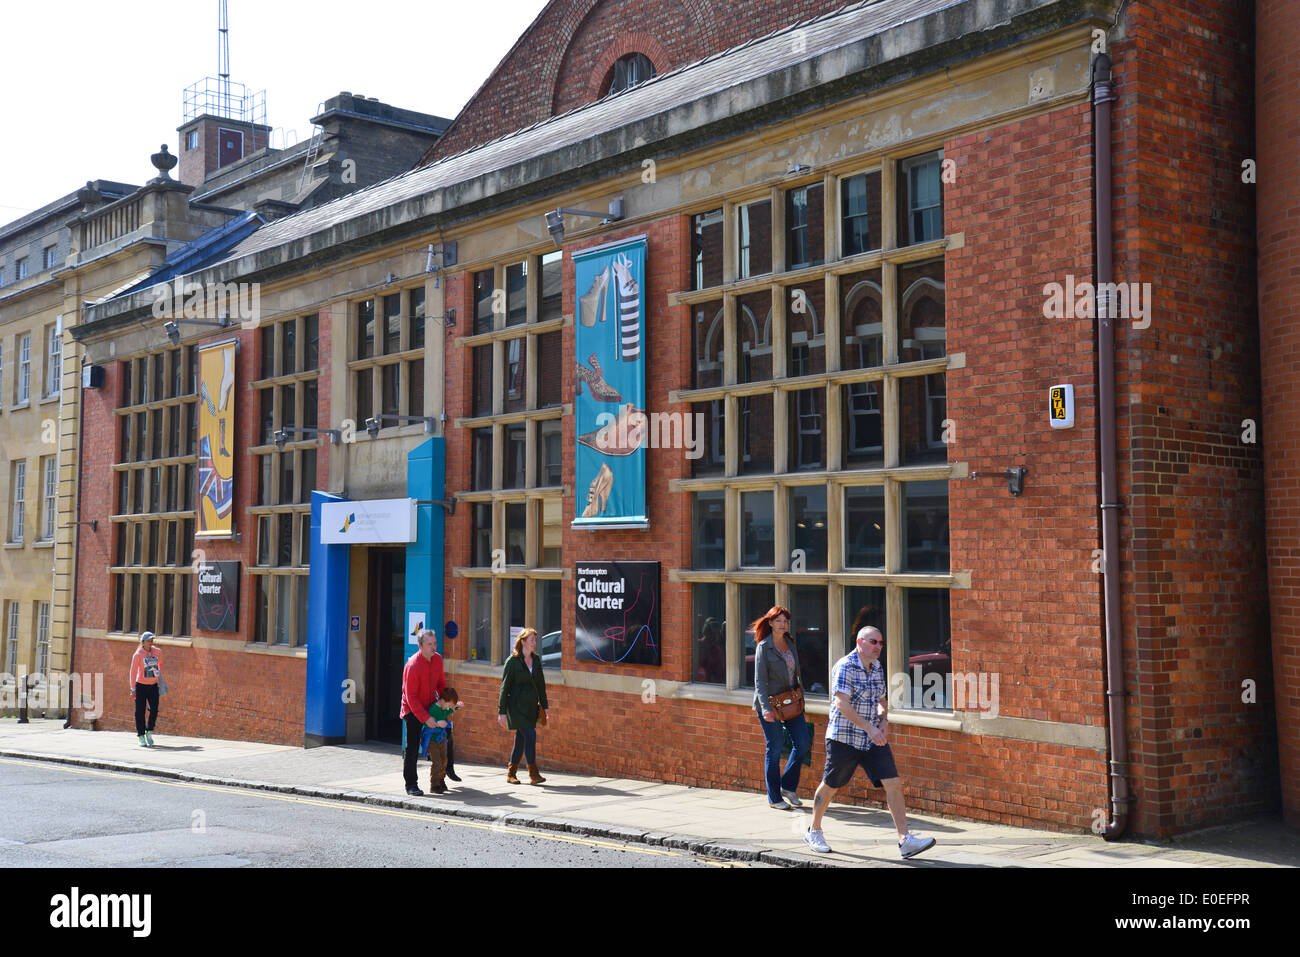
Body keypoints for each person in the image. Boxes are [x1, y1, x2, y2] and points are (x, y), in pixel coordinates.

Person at [803, 625, 936, 859]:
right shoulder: (845, 666)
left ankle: (905, 840)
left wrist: (884, 721)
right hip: (844, 737)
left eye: (881, 643)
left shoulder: (876, 667)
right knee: (831, 784)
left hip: (873, 738)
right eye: (873, 642)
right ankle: (814, 830)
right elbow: (842, 704)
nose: (878, 647)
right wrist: (870, 727)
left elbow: (881, 700)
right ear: (859, 642)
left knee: (893, 783)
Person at [752, 605, 810, 810]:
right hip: (770, 705)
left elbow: (796, 673)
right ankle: (774, 797)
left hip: (791, 702)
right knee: (774, 749)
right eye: (778, 621)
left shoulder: (790, 642)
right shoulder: (763, 647)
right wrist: (766, 709)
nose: (782, 624)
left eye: (785, 621)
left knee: (803, 743)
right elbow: (759, 682)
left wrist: (800, 695)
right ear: (770, 623)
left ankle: (788, 786)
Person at [498, 627, 550, 785]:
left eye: (535, 639)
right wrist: (502, 712)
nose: (535, 643)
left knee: (521, 739)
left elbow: (541, 685)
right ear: (523, 642)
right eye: (532, 640)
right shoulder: (512, 661)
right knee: (530, 735)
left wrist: (545, 706)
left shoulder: (536, 660)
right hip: (515, 707)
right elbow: (504, 687)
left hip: (530, 707)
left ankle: (511, 773)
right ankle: (533, 774)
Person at [400, 629, 447, 796]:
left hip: (430, 705)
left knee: (444, 740)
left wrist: (448, 702)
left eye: (434, 643)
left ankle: (440, 780)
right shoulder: (413, 665)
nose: (433, 647)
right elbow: (410, 697)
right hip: (412, 710)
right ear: (420, 646)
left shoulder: (438, 660)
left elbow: (441, 684)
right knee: (413, 747)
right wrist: (426, 718)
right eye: (429, 644)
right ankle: (411, 784)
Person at [419, 687, 461, 795]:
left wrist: (456, 707)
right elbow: (425, 723)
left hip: (442, 739)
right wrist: (438, 723)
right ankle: (434, 785)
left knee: (444, 761)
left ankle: (441, 780)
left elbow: (449, 709)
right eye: (449, 704)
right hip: (433, 740)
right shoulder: (433, 709)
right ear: (442, 700)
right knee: (437, 762)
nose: (449, 708)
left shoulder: (444, 707)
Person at [129, 631, 162, 747]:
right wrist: (133, 688)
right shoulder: (138, 654)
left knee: (154, 709)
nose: (150, 643)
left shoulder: (157, 652)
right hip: (140, 685)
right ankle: (141, 735)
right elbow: (133, 672)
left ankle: (149, 731)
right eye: (148, 640)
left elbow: (160, 664)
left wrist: (157, 674)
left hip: (153, 685)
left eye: (152, 640)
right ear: (142, 642)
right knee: (140, 711)